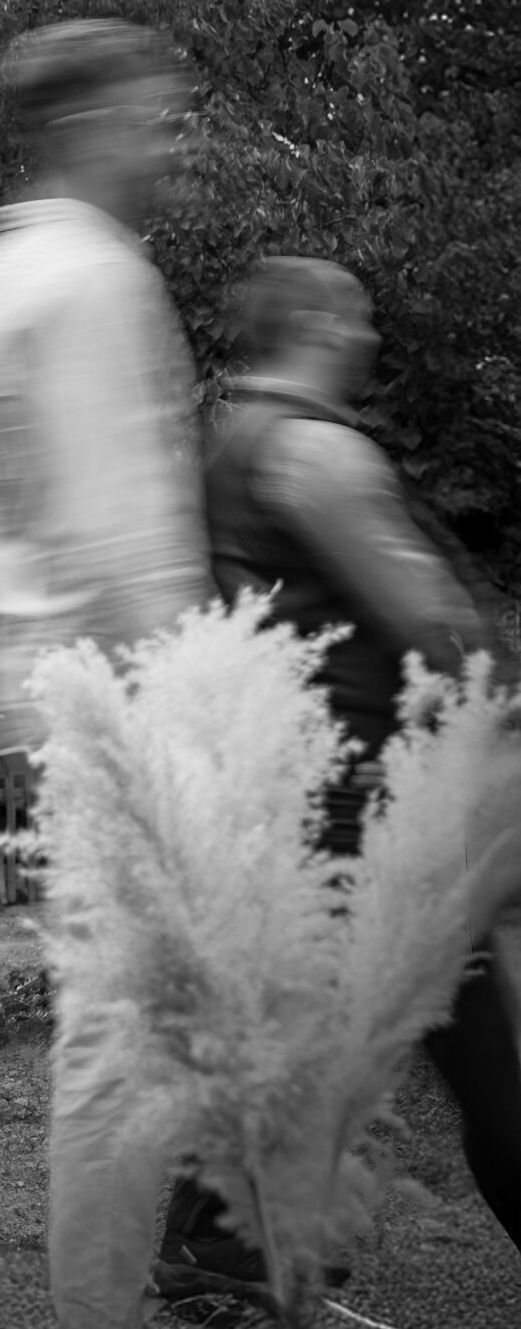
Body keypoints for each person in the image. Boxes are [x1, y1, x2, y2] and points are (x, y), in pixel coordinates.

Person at [0, 18, 219, 1329]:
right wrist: (212, 705)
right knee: (129, 1029)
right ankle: (128, 1295)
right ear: (87, 121)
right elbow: (123, 528)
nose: (168, 137)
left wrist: (2, 687)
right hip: (128, 692)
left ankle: (217, 1263)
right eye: (153, 112)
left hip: (32, 685)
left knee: (162, 1012)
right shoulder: (94, 278)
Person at [168, 257, 521, 1284]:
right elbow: (423, 616)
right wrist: (493, 697)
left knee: (291, 1038)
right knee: (476, 1054)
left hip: (295, 787)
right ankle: (211, 1253)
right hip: (364, 801)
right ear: (316, 323)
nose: (369, 336)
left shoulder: (231, 442)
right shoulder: (315, 453)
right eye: (357, 317)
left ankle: (214, 1251)